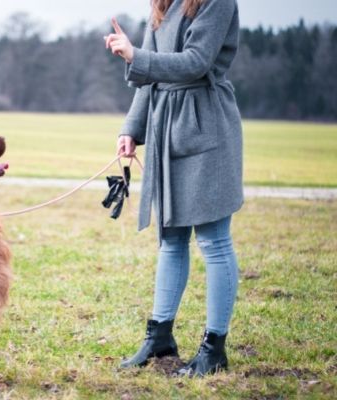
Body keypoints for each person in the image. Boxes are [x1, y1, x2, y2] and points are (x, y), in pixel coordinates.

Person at [104, 0, 243, 376]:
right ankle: (160, 336)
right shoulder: (163, 4)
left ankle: (214, 349)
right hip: (165, 128)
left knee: (214, 241)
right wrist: (130, 130)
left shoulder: (217, 2)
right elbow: (150, 77)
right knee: (171, 238)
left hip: (206, 127)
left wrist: (136, 54)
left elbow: (196, 62)